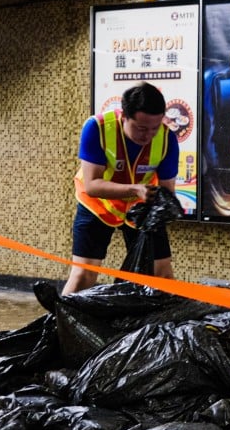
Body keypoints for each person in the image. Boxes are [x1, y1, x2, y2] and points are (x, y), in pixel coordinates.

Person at [63, 82, 180, 295]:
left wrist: (166, 208)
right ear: (124, 117)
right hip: (97, 205)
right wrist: (134, 190)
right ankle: (58, 327)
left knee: (162, 275)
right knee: (83, 275)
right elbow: (92, 185)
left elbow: (167, 190)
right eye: (141, 128)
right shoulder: (97, 128)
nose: (148, 136)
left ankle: (159, 327)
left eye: (155, 128)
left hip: (140, 208)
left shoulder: (166, 139)